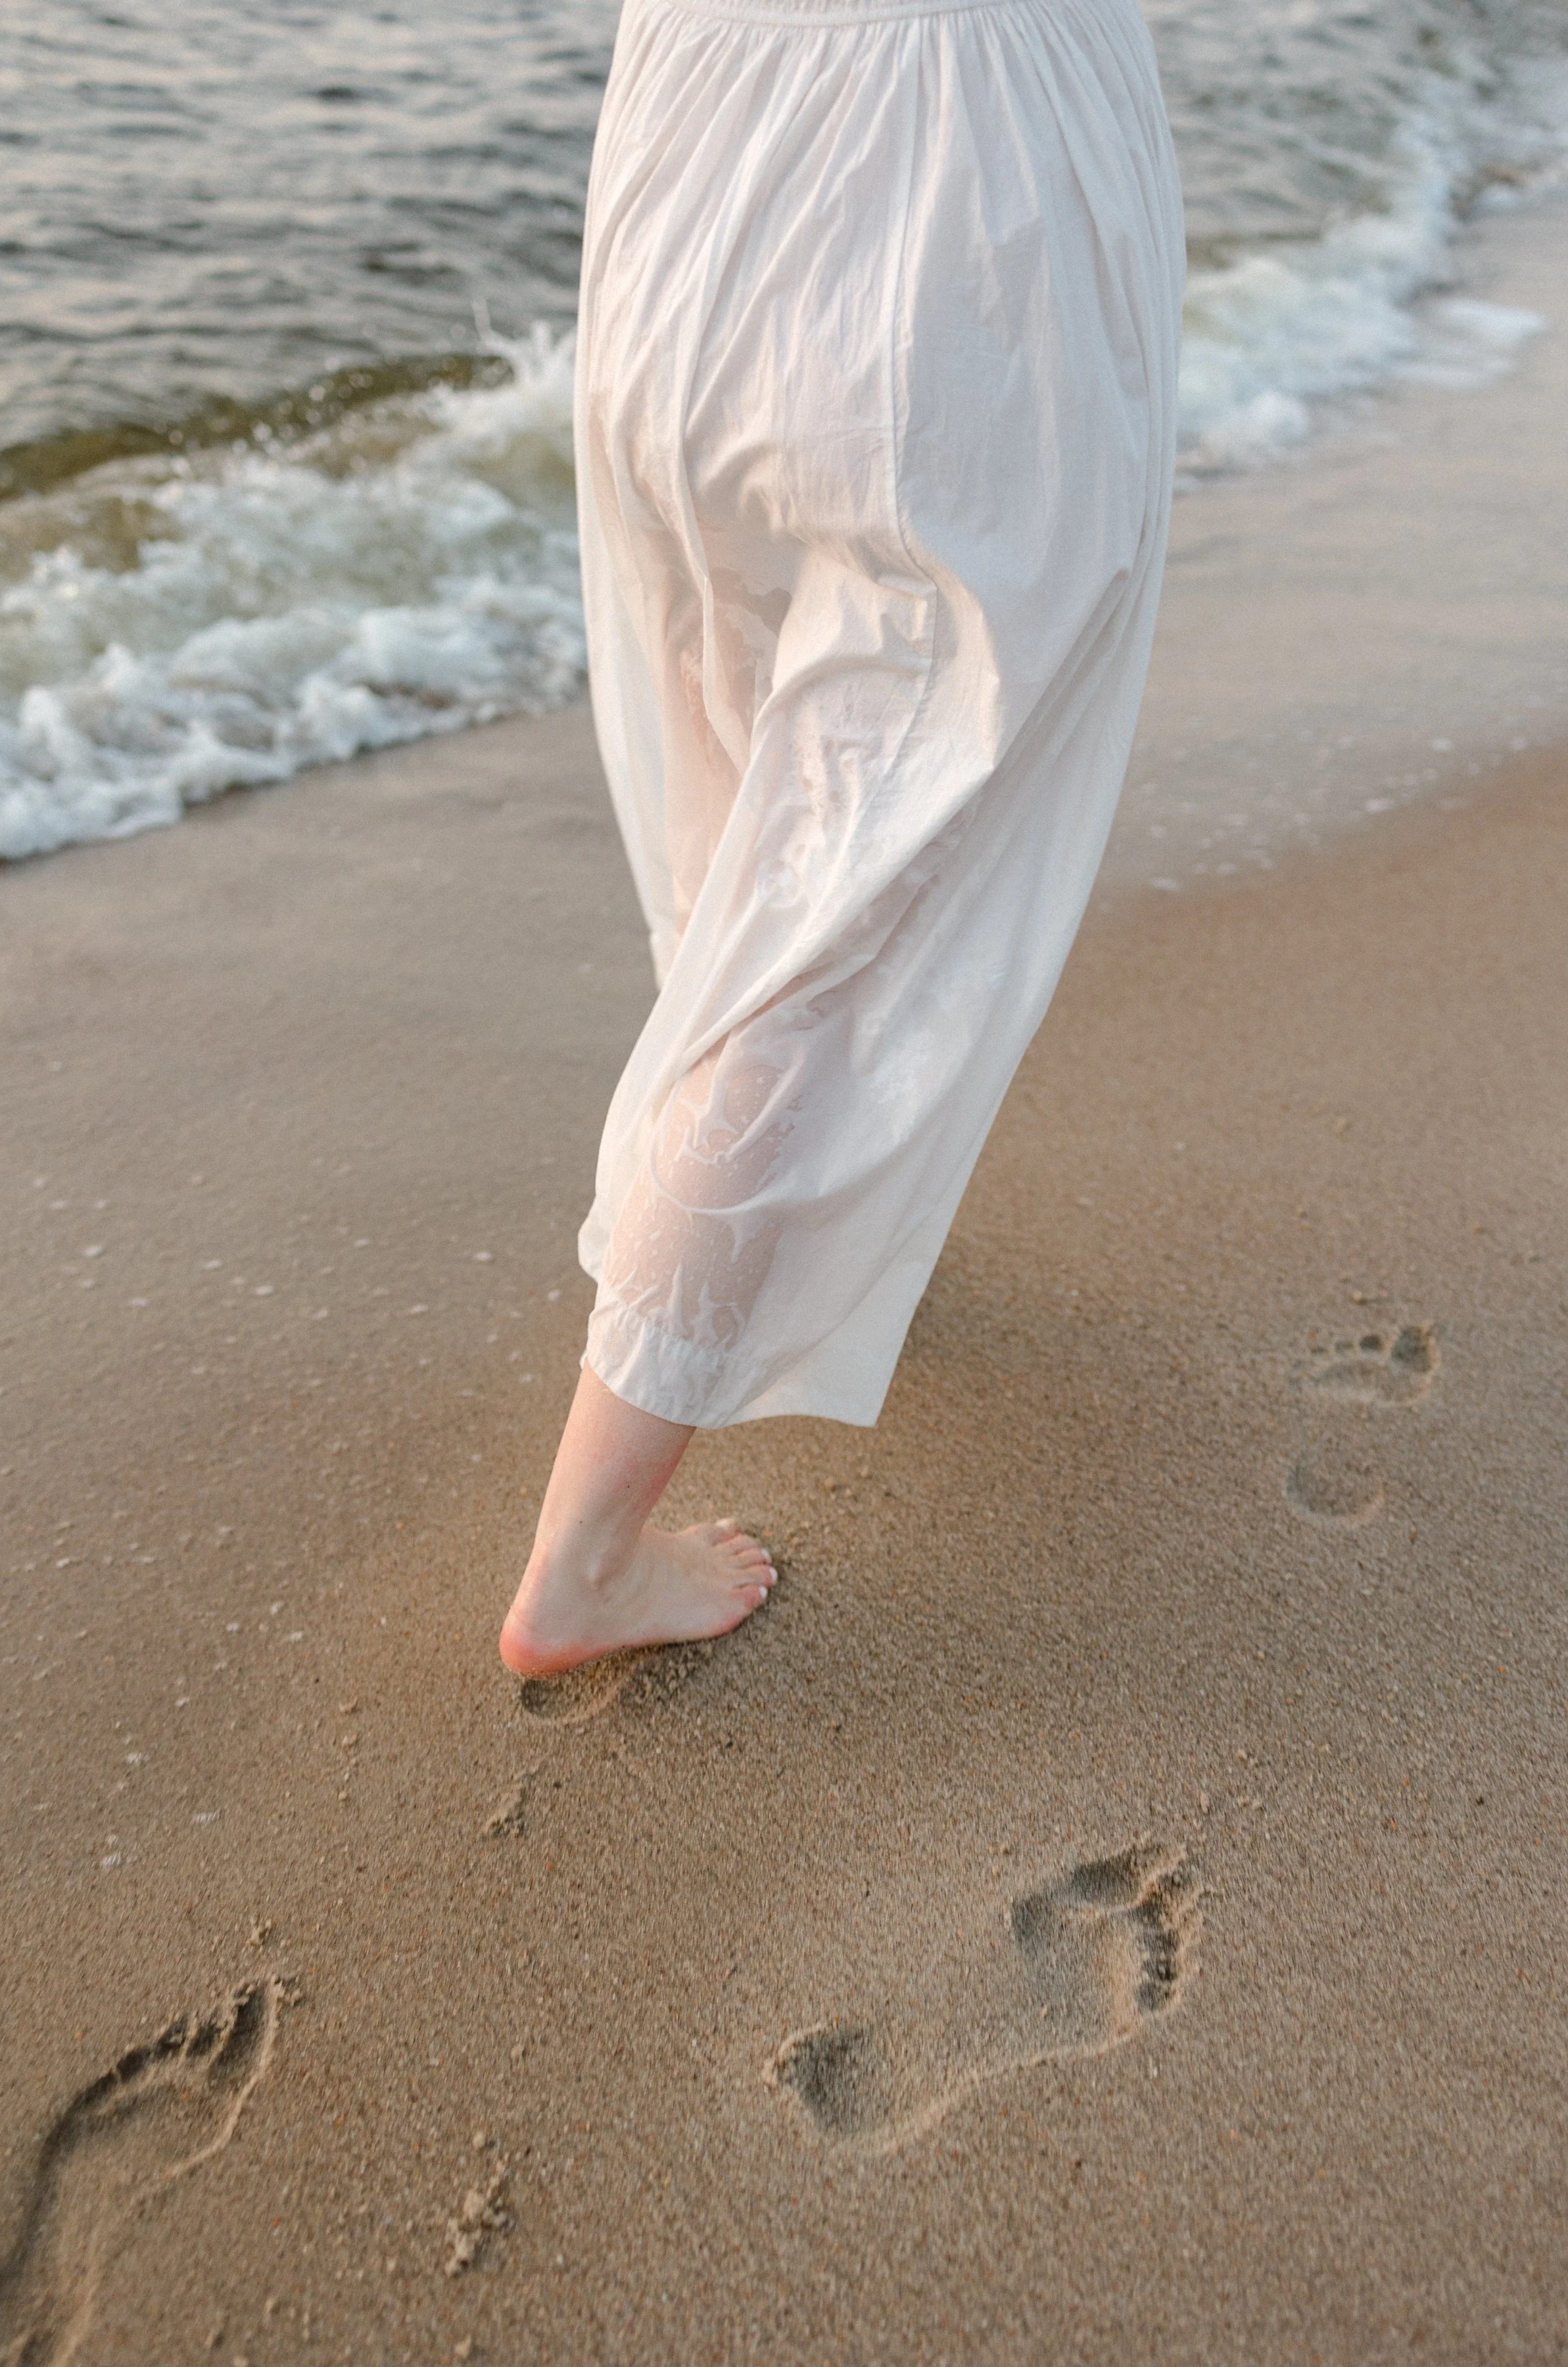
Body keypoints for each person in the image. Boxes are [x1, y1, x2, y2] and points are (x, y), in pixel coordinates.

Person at [501, 0, 1185, 1679]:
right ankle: (582, 1560)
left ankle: (777, 1231)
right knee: (856, 877)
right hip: (968, 167)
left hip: (700, 141)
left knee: (740, 761)